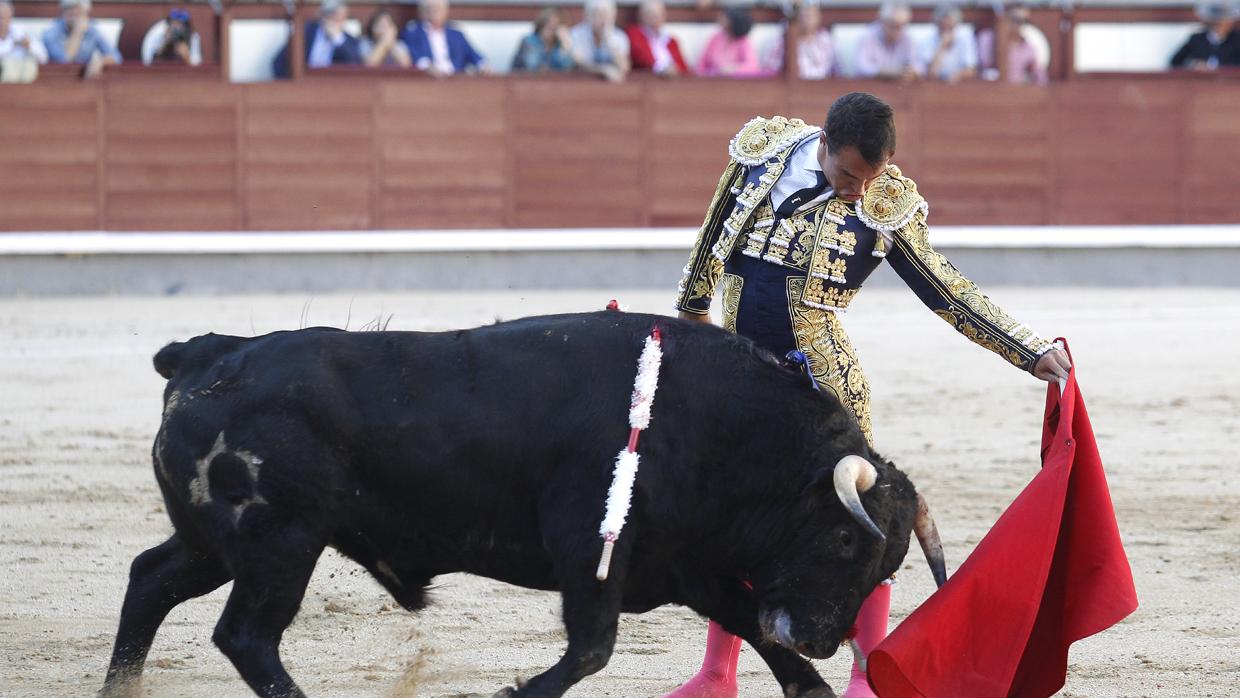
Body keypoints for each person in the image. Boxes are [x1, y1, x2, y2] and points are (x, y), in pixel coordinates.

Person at [667, 92, 1072, 698]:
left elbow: (944, 289)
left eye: (871, 177)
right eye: (848, 175)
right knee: (731, 519)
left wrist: (1027, 349)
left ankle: (865, 673)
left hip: (822, 384)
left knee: (860, 519)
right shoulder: (763, 154)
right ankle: (717, 675)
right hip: (739, 374)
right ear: (824, 144)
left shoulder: (884, 205)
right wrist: (695, 326)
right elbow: (708, 246)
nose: (858, 190)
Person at [403, 0, 487, 77]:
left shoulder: (456, 34)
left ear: (446, 11)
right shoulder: (413, 31)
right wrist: (428, 67)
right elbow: (415, 57)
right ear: (421, 11)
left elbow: (475, 56)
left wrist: (483, 66)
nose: (434, 12)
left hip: (456, 80)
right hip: (428, 80)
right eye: (429, 8)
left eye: (438, 8)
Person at [42, 0, 121, 77]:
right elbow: (64, 61)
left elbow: (117, 57)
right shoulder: (51, 32)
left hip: (84, 78)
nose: (74, 17)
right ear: (62, 13)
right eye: (70, 12)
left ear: (86, 13)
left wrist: (101, 61)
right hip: (55, 78)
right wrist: (77, 33)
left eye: (79, 12)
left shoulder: (93, 30)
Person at [763, 0, 837, 79]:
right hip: (793, 87)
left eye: (812, 14)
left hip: (823, 87)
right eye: (805, 14)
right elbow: (771, 69)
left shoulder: (825, 39)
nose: (808, 18)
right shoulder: (785, 39)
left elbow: (836, 71)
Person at [977, 2, 1047, 85]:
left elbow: (1041, 77)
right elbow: (982, 66)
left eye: (1025, 21)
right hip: (987, 90)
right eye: (1016, 20)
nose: (1020, 25)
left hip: (1016, 93)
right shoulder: (986, 39)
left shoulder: (1028, 47)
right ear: (1005, 18)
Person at [854, 1, 922, 80]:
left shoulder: (908, 37)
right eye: (894, 27)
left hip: (901, 87)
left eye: (902, 27)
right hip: (871, 87)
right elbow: (862, 68)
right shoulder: (867, 36)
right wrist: (886, 73)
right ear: (882, 22)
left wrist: (914, 72)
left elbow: (919, 66)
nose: (898, 32)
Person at [569, 0, 630, 82]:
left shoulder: (620, 37)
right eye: (595, 14)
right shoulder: (575, 34)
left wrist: (608, 40)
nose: (600, 19)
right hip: (581, 84)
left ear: (613, 16)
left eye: (604, 14)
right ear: (586, 16)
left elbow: (624, 67)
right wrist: (603, 70)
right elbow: (578, 63)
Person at [627, 0, 690, 76]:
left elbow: (683, 67)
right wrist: (661, 70)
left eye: (658, 15)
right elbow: (640, 58)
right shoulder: (634, 34)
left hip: (675, 80)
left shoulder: (671, 40)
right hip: (649, 80)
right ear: (641, 16)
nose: (654, 19)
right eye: (650, 15)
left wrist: (675, 70)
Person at [696, 6, 763, 77]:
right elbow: (701, 65)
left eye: (725, 18)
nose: (720, 19)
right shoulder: (715, 38)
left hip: (736, 83)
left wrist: (734, 69)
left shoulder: (743, 41)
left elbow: (753, 66)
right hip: (713, 82)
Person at [1170, 2, 1239, 70]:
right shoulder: (1196, 39)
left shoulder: (1237, 40)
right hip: (1200, 79)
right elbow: (1175, 62)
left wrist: (1220, 67)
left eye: (1223, 20)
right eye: (1215, 20)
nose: (1218, 24)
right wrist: (1193, 64)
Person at [919, 3, 976, 82]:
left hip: (960, 87)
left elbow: (971, 70)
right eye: (943, 27)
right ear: (937, 24)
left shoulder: (965, 39)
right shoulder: (927, 40)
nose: (947, 31)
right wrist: (942, 47)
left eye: (950, 27)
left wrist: (958, 75)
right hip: (935, 87)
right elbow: (931, 73)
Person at [512, 7, 575, 72]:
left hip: (554, 81)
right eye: (548, 24)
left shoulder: (560, 44)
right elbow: (533, 66)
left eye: (555, 25)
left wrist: (566, 42)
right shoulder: (529, 41)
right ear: (541, 24)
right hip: (523, 80)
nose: (551, 27)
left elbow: (567, 68)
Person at [0, 0, 48, 64]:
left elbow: (43, 58)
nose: (1, 21)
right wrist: (12, 45)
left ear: (10, 17)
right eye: (1, 17)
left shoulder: (20, 31)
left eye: (4, 17)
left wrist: (29, 46)